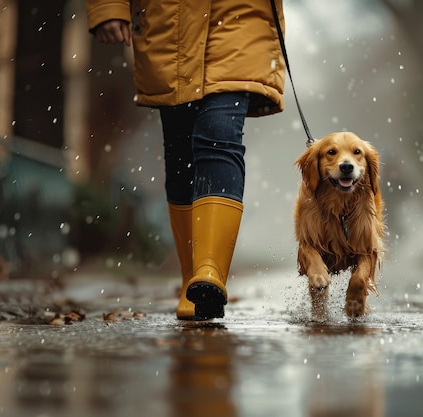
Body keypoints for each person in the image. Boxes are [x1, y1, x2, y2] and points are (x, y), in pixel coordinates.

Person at [86, 1, 285, 320]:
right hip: (170, 21)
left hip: (241, 17)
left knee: (219, 132)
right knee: (181, 151)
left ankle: (209, 272)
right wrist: (108, 6)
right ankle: (191, 277)